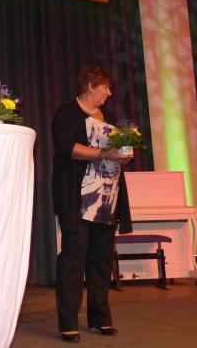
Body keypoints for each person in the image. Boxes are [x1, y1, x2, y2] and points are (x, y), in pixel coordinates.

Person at [51, 65, 133, 343]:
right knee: (73, 259)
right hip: (77, 198)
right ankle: (68, 322)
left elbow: (113, 153)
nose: (109, 93)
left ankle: (100, 319)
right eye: (106, 87)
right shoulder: (67, 112)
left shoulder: (107, 117)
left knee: (101, 260)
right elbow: (67, 147)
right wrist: (105, 153)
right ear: (91, 86)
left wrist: (122, 155)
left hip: (107, 199)